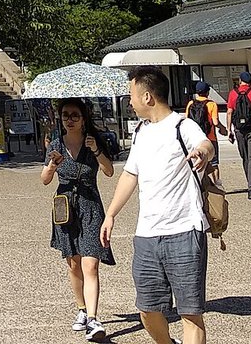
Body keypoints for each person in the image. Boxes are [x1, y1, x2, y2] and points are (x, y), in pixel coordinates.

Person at [100, 68, 216, 344]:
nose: (129, 101)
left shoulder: (182, 126)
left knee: (190, 313)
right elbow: (130, 175)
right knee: (147, 309)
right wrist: (111, 214)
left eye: (131, 95)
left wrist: (201, 153)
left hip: (185, 231)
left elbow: (205, 144)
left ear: (148, 97)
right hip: (147, 235)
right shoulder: (141, 132)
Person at [41, 97, 116, 343]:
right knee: (73, 264)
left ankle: (93, 319)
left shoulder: (93, 142)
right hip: (65, 208)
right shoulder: (56, 145)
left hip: (90, 206)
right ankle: (82, 309)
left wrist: (95, 150)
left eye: (74, 115)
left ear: (84, 118)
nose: (69, 120)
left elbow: (109, 170)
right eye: (65, 116)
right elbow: (44, 179)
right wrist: (52, 164)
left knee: (90, 264)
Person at [223, 69, 251, 199]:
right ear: (250, 82)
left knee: (246, 158)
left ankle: (250, 182)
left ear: (240, 81)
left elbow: (230, 112)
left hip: (239, 130)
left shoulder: (233, 94)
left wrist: (229, 130)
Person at [183, 82, 223, 165]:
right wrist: (223, 129)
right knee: (214, 164)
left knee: (199, 163)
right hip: (210, 137)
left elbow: (186, 121)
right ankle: (215, 178)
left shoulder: (190, 104)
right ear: (207, 92)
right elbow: (215, 122)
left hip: (195, 138)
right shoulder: (212, 104)